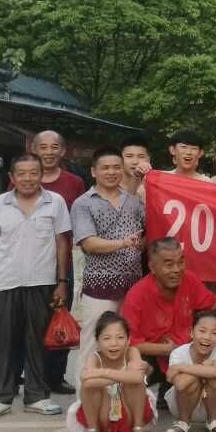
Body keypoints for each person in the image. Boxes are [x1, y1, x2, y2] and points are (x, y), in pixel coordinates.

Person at [0, 153, 71, 420]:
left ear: (41, 175)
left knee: (38, 340)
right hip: (4, 283)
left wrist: (62, 282)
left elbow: (61, 243)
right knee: (3, 341)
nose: (28, 178)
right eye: (22, 173)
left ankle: (37, 396)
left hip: (42, 283)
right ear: (12, 177)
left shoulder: (55, 202)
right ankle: (0, 397)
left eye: (33, 173)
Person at [120, 237, 216, 373]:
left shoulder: (189, 279)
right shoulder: (136, 296)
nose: (177, 270)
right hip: (152, 360)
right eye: (169, 265)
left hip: (189, 354)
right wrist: (166, 350)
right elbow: (129, 343)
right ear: (152, 267)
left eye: (181, 262)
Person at [71, 147, 146, 352]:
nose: (111, 172)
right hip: (99, 285)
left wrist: (142, 242)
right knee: (94, 343)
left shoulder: (134, 202)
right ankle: (87, 375)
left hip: (133, 286)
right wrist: (123, 243)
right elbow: (88, 243)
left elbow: (147, 233)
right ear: (94, 171)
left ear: (122, 170)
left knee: (128, 344)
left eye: (116, 167)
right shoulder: (83, 203)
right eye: (105, 168)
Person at [33, 130, 84, 393]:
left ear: (63, 151)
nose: (49, 152)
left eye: (54, 147)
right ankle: (33, 375)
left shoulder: (74, 182)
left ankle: (56, 376)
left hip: (62, 261)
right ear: (34, 150)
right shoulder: (23, 177)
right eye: (43, 147)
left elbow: (80, 219)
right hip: (29, 260)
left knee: (60, 315)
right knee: (32, 319)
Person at [69, 311, 154, 432]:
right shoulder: (95, 357)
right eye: (107, 338)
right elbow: (86, 381)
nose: (114, 343)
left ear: (128, 339)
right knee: (89, 387)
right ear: (97, 342)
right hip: (102, 412)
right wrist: (123, 375)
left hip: (130, 411)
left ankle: (138, 428)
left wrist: (103, 373)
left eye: (120, 337)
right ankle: (92, 429)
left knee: (135, 383)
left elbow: (138, 378)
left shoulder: (132, 352)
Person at [162, 310, 216, 432]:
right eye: (202, 331)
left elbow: (215, 372)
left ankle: (213, 421)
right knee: (190, 381)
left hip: (213, 404)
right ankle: (183, 422)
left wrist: (180, 367)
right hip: (181, 405)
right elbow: (180, 384)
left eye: (214, 333)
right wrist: (206, 367)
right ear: (191, 332)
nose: (207, 337)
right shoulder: (179, 353)